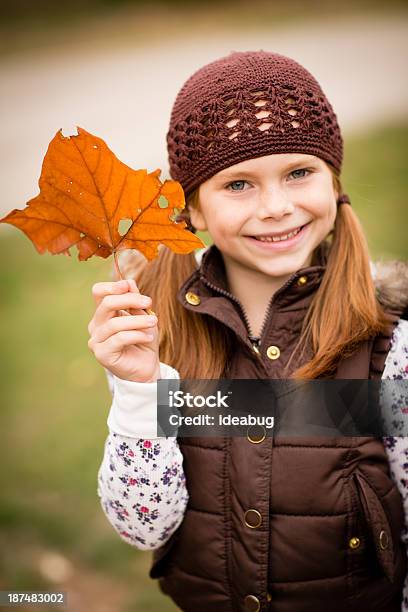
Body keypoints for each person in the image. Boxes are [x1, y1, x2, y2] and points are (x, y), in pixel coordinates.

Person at [88, 51, 408, 611]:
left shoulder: (388, 345)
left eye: (299, 172)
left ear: (334, 182)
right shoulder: (161, 339)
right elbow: (143, 528)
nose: (277, 207)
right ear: (193, 211)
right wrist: (141, 392)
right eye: (238, 184)